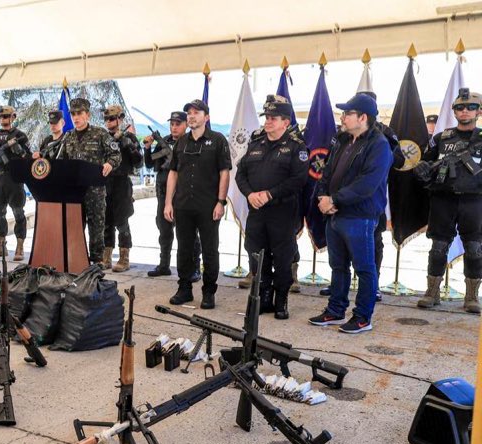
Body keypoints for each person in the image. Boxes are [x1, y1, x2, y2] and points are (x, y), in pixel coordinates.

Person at [309, 93, 393, 333]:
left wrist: (335, 200)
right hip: (334, 214)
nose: (343, 117)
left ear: (363, 117)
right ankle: (335, 310)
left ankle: (363, 317)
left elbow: (367, 184)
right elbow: (326, 173)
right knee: (338, 266)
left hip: (360, 217)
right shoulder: (342, 140)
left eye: (347, 113)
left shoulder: (379, 145)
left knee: (364, 268)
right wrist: (323, 198)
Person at [234, 96, 308, 319]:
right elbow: (240, 174)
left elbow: (299, 179)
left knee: (283, 258)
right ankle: (264, 297)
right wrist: (250, 194)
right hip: (257, 212)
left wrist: (270, 194)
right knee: (257, 255)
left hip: (282, 213)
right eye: (266, 117)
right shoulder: (255, 143)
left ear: (286, 122)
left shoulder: (296, 147)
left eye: (273, 118)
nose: (267, 121)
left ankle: (281, 300)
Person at [415, 88, 482, 313]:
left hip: (474, 201)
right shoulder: (441, 139)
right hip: (443, 199)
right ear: (454, 111)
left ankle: (471, 297)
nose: (465, 111)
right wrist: (422, 168)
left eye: (471, 107)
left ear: (479, 111)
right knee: (438, 247)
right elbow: (425, 163)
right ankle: (432, 293)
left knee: (474, 248)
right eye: (460, 107)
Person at [164, 99, 231, 309]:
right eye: (189, 113)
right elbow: (173, 173)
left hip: (208, 206)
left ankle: (209, 292)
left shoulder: (218, 140)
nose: (192, 116)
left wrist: (220, 202)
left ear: (206, 117)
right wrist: (168, 203)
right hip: (183, 205)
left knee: (210, 250)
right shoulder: (181, 142)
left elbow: (224, 173)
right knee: (184, 249)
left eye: (196, 112)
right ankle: (184, 289)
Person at [57, 97, 121, 264]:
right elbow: (61, 161)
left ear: (88, 115)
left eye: (79, 113)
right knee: (75, 227)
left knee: (96, 228)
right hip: (74, 191)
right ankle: (76, 260)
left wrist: (110, 163)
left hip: (95, 190)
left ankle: (97, 262)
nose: (76, 117)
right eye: (73, 114)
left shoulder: (100, 134)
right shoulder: (68, 136)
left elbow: (116, 154)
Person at [143, 112, 201, 279]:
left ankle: (195, 268)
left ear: (186, 125)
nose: (174, 127)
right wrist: (147, 148)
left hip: (184, 194)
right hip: (163, 194)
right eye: (172, 124)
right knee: (164, 231)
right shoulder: (164, 142)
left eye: (178, 124)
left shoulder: (192, 142)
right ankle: (164, 265)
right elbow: (149, 163)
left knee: (189, 233)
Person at [0, 105, 30, 261]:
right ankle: (1, 246)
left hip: (13, 178)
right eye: (1, 117)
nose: (3, 119)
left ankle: (20, 247)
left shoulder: (20, 135)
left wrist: (18, 150)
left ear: (13, 117)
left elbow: (28, 157)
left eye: (6, 116)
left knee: (18, 212)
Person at [102, 105, 143, 272]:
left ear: (120, 119)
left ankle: (124, 258)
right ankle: (106, 258)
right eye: (106, 119)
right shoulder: (103, 137)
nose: (108, 122)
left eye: (112, 118)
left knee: (122, 221)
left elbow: (139, 163)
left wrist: (130, 147)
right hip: (105, 183)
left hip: (121, 182)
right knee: (106, 221)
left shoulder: (130, 137)